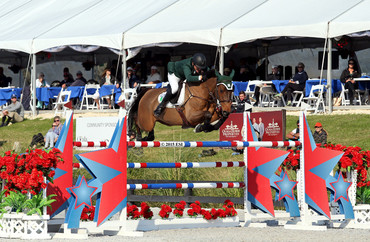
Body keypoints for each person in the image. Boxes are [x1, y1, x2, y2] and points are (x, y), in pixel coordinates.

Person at [154, 53, 207, 117]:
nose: (199, 69)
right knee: (174, 89)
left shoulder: (195, 63)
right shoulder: (186, 65)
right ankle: (160, 106)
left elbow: (208, 70)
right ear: (193, 64)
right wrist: (200, 77)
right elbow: (189, 78)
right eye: (198, 68)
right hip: (174, 75)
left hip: (182, 75)